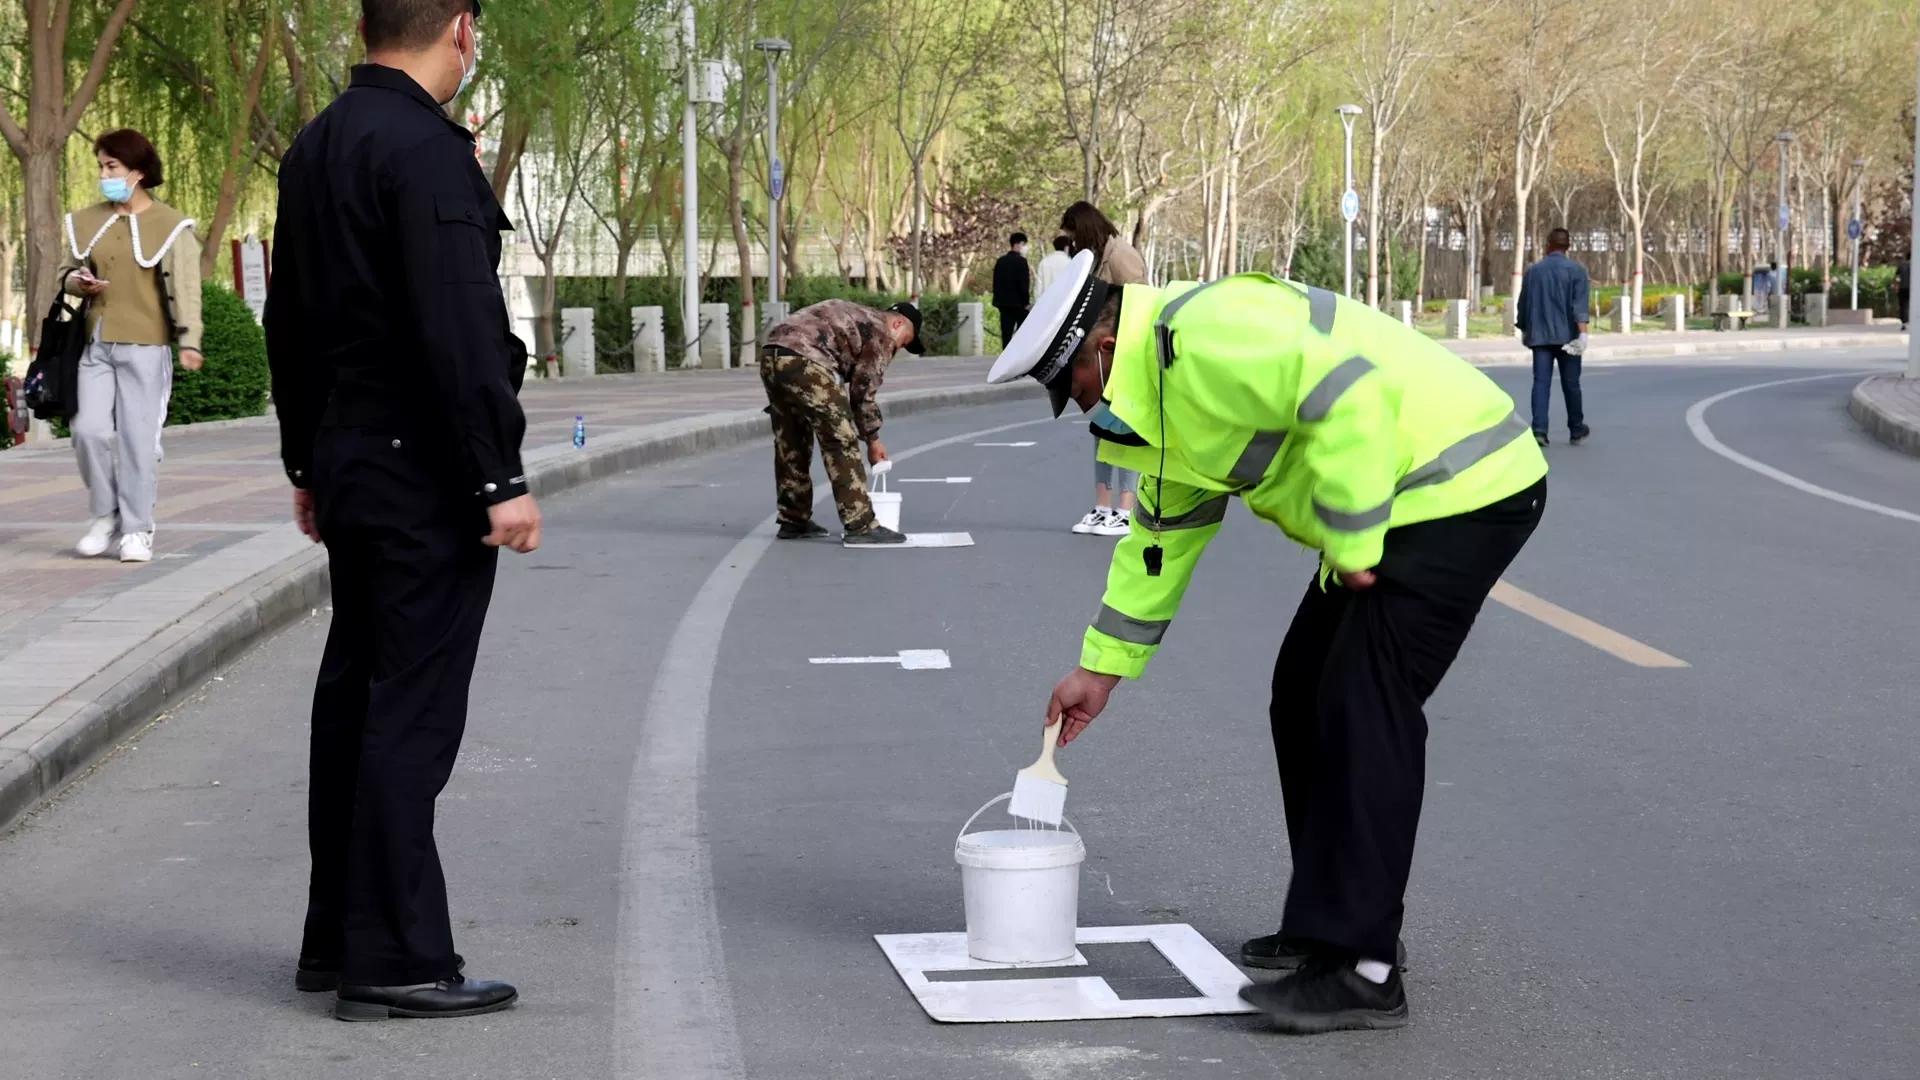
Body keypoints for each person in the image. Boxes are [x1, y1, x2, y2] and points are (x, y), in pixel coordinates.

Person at [989, 251, 1548, 1035]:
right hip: (1399, 506)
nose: (1079, 410)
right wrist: (1100, 671)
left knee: (1362, 701)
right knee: (1303, 692)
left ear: (1103, 348)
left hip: (1462, 489)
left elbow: (1351, 391)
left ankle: (1364, 967)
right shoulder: (1159, 391)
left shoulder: (1207, 334)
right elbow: (1164, 534)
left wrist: (1352, 537)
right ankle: (1330, 924)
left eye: (1073, 389)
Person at [264, 0, 539, 1022]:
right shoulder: (425, 151)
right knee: (408, 712)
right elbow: (459, 329)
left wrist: (306, 459)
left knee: (355, 697)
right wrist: (499, 479)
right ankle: (397, 957)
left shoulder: (317, 145)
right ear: (461, 29)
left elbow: (287, 319)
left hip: (347, 459)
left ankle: (335, 940)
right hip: (421, 471)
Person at [58, 128, 204, 563]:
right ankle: (105, 516)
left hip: (146, 344)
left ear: (137, 173)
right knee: (88, 431)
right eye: (101, 165)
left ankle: (138, 529)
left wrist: (189, 340)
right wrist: (78, 283)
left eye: (111, 166)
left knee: (137, 441)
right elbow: (66, 273)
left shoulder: (170, 225)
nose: (104, 174)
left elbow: (187, 287)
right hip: (96, 343)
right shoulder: (87, 221)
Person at [760, 298, 923, 544]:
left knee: (791, 440)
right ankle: (860, 523)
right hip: (808, 361)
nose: (897, 349)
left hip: (772, 355)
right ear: (898, 323)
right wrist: (873, 440)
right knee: (840, 439)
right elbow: (863, 393)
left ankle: (793, 519)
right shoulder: (880, 331)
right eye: (904, 341)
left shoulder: (856, 314)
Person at [1061, 201, 1146, 537]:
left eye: (1072, 235)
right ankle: (1102, 506)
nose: (1070, 242)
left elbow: (1139, 303)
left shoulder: (1121, 255)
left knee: (1123, 432)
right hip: (1102, 358)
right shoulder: (1097, 258)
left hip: (1123, 354)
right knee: (1101, 431)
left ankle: (1125, 511)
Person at [1515, 227, 1591, 446]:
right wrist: (1583, 336)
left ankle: (1539, 430)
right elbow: (1579, 307)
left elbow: (1523, 304)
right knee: (1572, 384)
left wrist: (1524, 329)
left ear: (1548, 245)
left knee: (1541, 383)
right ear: (1568, 246)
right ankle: (1576, 429)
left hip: (1540, 337)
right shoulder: (1577, 271)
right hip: (1569, 337)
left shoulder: (1534, 271)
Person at [992, 232, 1032, 345]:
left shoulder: (1001, 261)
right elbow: (1024, 285)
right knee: (1021, 333)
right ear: (1018, 244)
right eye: (1024, 244)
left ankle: (1005, 357)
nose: (1025, 247)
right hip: (1019, 304)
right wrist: (1026, 302)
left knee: (1006, 333)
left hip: (1003, 304)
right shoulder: (1021, 262)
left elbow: (996, 283)